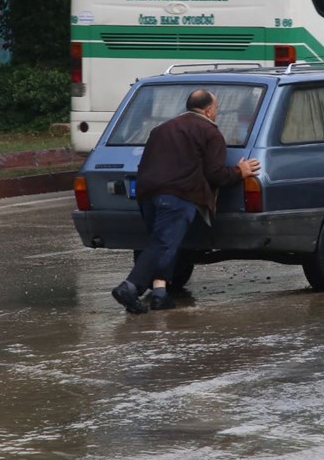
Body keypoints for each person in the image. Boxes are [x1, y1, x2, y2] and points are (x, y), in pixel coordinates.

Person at [111, 89, 261, 314]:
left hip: (147, 194)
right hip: (179, 197)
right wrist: (240, 171)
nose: (216, 113)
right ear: (209, 110)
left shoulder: (161, 129)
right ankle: (130, 287)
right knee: (163, 244)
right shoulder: (211, 133)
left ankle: (160, 294)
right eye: (216, 109)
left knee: (165, 242)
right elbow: (216, 175)